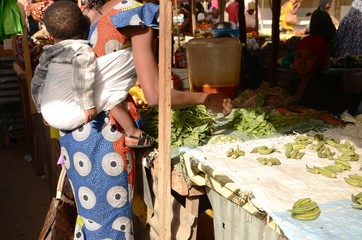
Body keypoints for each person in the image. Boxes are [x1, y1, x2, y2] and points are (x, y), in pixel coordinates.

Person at [56, 0, 232, 239]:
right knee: (111, 226)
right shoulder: (135, 15)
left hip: (75, 136)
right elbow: (156, 95)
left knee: (91, 219)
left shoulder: (89, 14)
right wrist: (205, 99)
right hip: (103, 137)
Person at [31, 1, 154, 148]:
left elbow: (37, 82)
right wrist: (87, 104)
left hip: (49, 114)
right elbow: (81, 76)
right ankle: (133, 132)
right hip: (69, 116)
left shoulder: (48, 54)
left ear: (52, 36)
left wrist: (41, 108)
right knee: (109, 93)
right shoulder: (81, 51)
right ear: (84, 30)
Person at [289, 35, 344, 114]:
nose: (302, 62)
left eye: (309, 58)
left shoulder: (325, 87)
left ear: (319, 62)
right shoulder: (294, 82)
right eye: (299, 56)